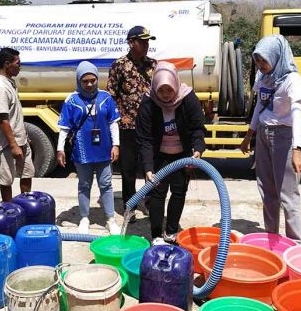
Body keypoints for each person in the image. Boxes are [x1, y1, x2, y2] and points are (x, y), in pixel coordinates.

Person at [239, 34, 301, 242]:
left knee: (287, 194)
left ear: (277, 57)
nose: (260, 65)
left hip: (284, 137)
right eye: (257, 60)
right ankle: (272, 239)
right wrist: (249, 134)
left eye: (264, 60)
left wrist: (296, 150)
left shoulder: (291, 80)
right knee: (266, 190)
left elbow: (297, 113)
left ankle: (295, 243)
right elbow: (260, 104)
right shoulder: (263, 77)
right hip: (263, 134)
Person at [136, 61, 205, 245]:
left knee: (179, 191)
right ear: (155, 87)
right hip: (159, 155)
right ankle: (157, 234)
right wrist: (148, 168)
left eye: (169, 90)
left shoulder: (188, 98)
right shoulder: (148, 102)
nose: (166, 95)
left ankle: (171, 231)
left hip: (182, 154)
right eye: (161, 90)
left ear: (175, 84)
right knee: (157, 193)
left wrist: (197, 150)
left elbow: (197, 128)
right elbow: (145, 139)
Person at [57, 61, 121, 235]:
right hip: (82, 150)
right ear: (79, 81)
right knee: (84, 184)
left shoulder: (106, 97)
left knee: (106, 184)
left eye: (93, 80)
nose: (90, 84)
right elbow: (64, 127)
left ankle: (110, 219)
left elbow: (113, 123)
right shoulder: (71, 100)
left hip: (104, 149)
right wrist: (60, 149)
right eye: (85, 81)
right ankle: (84, 218)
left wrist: (116, 145)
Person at [107, 25, 157, 223]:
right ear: (131, 42)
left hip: (150, 127)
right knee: (128, 169)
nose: (146, 45)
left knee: (151, 167)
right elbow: (112, 95)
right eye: (142, 41)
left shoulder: (153, 65)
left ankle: (151, 201)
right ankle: (130, 206)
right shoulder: (119, 65)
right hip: (127, 127)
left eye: (147, 41)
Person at [0, 47, 34, 202]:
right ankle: (9, 210)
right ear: (7, 64)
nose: (20, 66)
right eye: (17, 63)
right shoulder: (1, 87)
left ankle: (25, 204)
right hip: (7, 144)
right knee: (7, 179)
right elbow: (3, 119)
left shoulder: (10, 83)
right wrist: (13, 144)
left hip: (21, 140)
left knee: (27, 173)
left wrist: (24, 137)